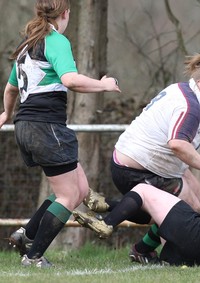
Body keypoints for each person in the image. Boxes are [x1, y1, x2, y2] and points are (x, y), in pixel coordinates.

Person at [80, 54, 200, 263]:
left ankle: (128, 231)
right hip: (136, 168)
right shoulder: (191, 107)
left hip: (133, 160)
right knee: (186, 211)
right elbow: (178, 144)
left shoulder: (184, 88)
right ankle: (166, 254)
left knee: (192, 195)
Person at [0, 0, 120, 268]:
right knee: (68, 196)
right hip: (46, 127)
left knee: (79, 190)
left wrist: (6, 114)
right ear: (65, 14)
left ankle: (26, 235)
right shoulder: (55, 40)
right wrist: (103, 85)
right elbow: (71, 80)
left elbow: (10, 90)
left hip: (26, 126)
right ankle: (33, 256)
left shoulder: (27, 46)